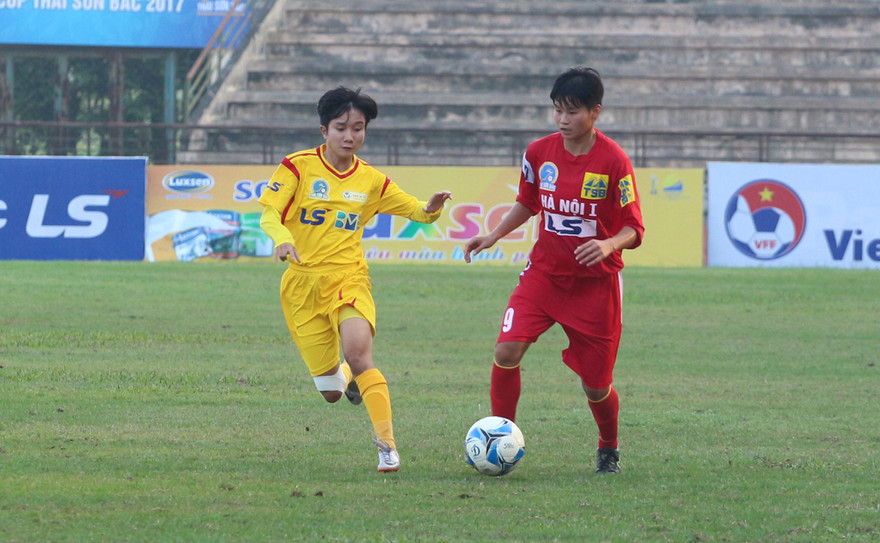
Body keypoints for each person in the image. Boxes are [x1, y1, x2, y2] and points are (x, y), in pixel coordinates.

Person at [259, 86, 452, 473]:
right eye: (341, 127)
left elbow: (414, 209)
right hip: (301, 286)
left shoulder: (372, 181)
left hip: (348, 278)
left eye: (358, 128)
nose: (350, 136)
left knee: (360, 354)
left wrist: (430, 209)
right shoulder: (297, 167)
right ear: (323, 130)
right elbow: (269, 214)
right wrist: (281, 240)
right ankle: (344, 380)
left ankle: (387, 447)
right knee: (330, 392)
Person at [463, 67, 644, 474]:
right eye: (558, 111)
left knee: (596, 386)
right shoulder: (538, 153)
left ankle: (608, 446)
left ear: (595, 112)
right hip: (544, 274)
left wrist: (608, 243)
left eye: (573, 111)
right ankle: (500, 435)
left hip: (595, 285)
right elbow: (528, 202)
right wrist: (493, 235)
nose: (563, 120)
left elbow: (634, 228)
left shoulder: (615, 161)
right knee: (506, 351)